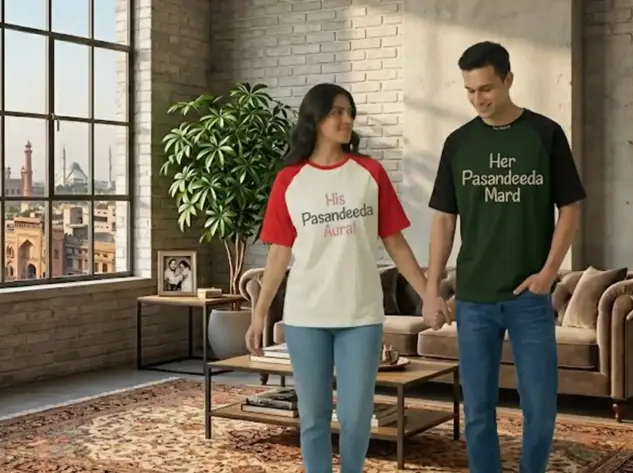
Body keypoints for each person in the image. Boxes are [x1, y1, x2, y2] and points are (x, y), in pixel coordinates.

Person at [245, 83, 449, 473]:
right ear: (315, 118)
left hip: (361, 315)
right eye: (337, 111)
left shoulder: (369, 173)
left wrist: (429, 295)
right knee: (314, 418)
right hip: (306, 316)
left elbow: (397, 245)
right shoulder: (290, 180)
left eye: (349, 112)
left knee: (356, 419)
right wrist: (260, 313)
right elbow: (278, 254)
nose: (346, 119)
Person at [422, 41, 586, 473]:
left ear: (509, 80)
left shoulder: (545, 134)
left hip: (529, 297)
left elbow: (570, 207)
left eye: (487, 89)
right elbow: (443, 221)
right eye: (470, 91)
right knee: (477, 409)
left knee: (540, 409)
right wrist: (431, 290)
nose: (479, 100)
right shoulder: (458, 143)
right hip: (473, 297)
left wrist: (549, 272)